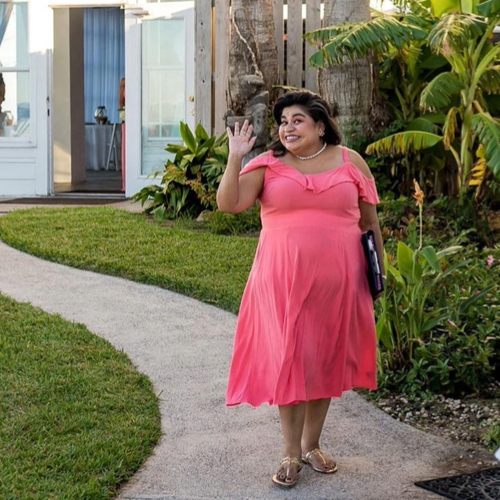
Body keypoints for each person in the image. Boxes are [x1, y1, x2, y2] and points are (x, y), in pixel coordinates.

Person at [216, 91, 385, 488]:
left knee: (323, 358)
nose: (287, 128)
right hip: (282, 282)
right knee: (291, 359)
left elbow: (370, 222)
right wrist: (235, 155)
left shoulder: (350, 162)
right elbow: (229, 204)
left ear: (320, 125)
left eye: (297, 120)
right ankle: (290, 453)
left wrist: (378, 271)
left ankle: (312, 446)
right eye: (283, 122)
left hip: (339, 282)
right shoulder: (269, 164)